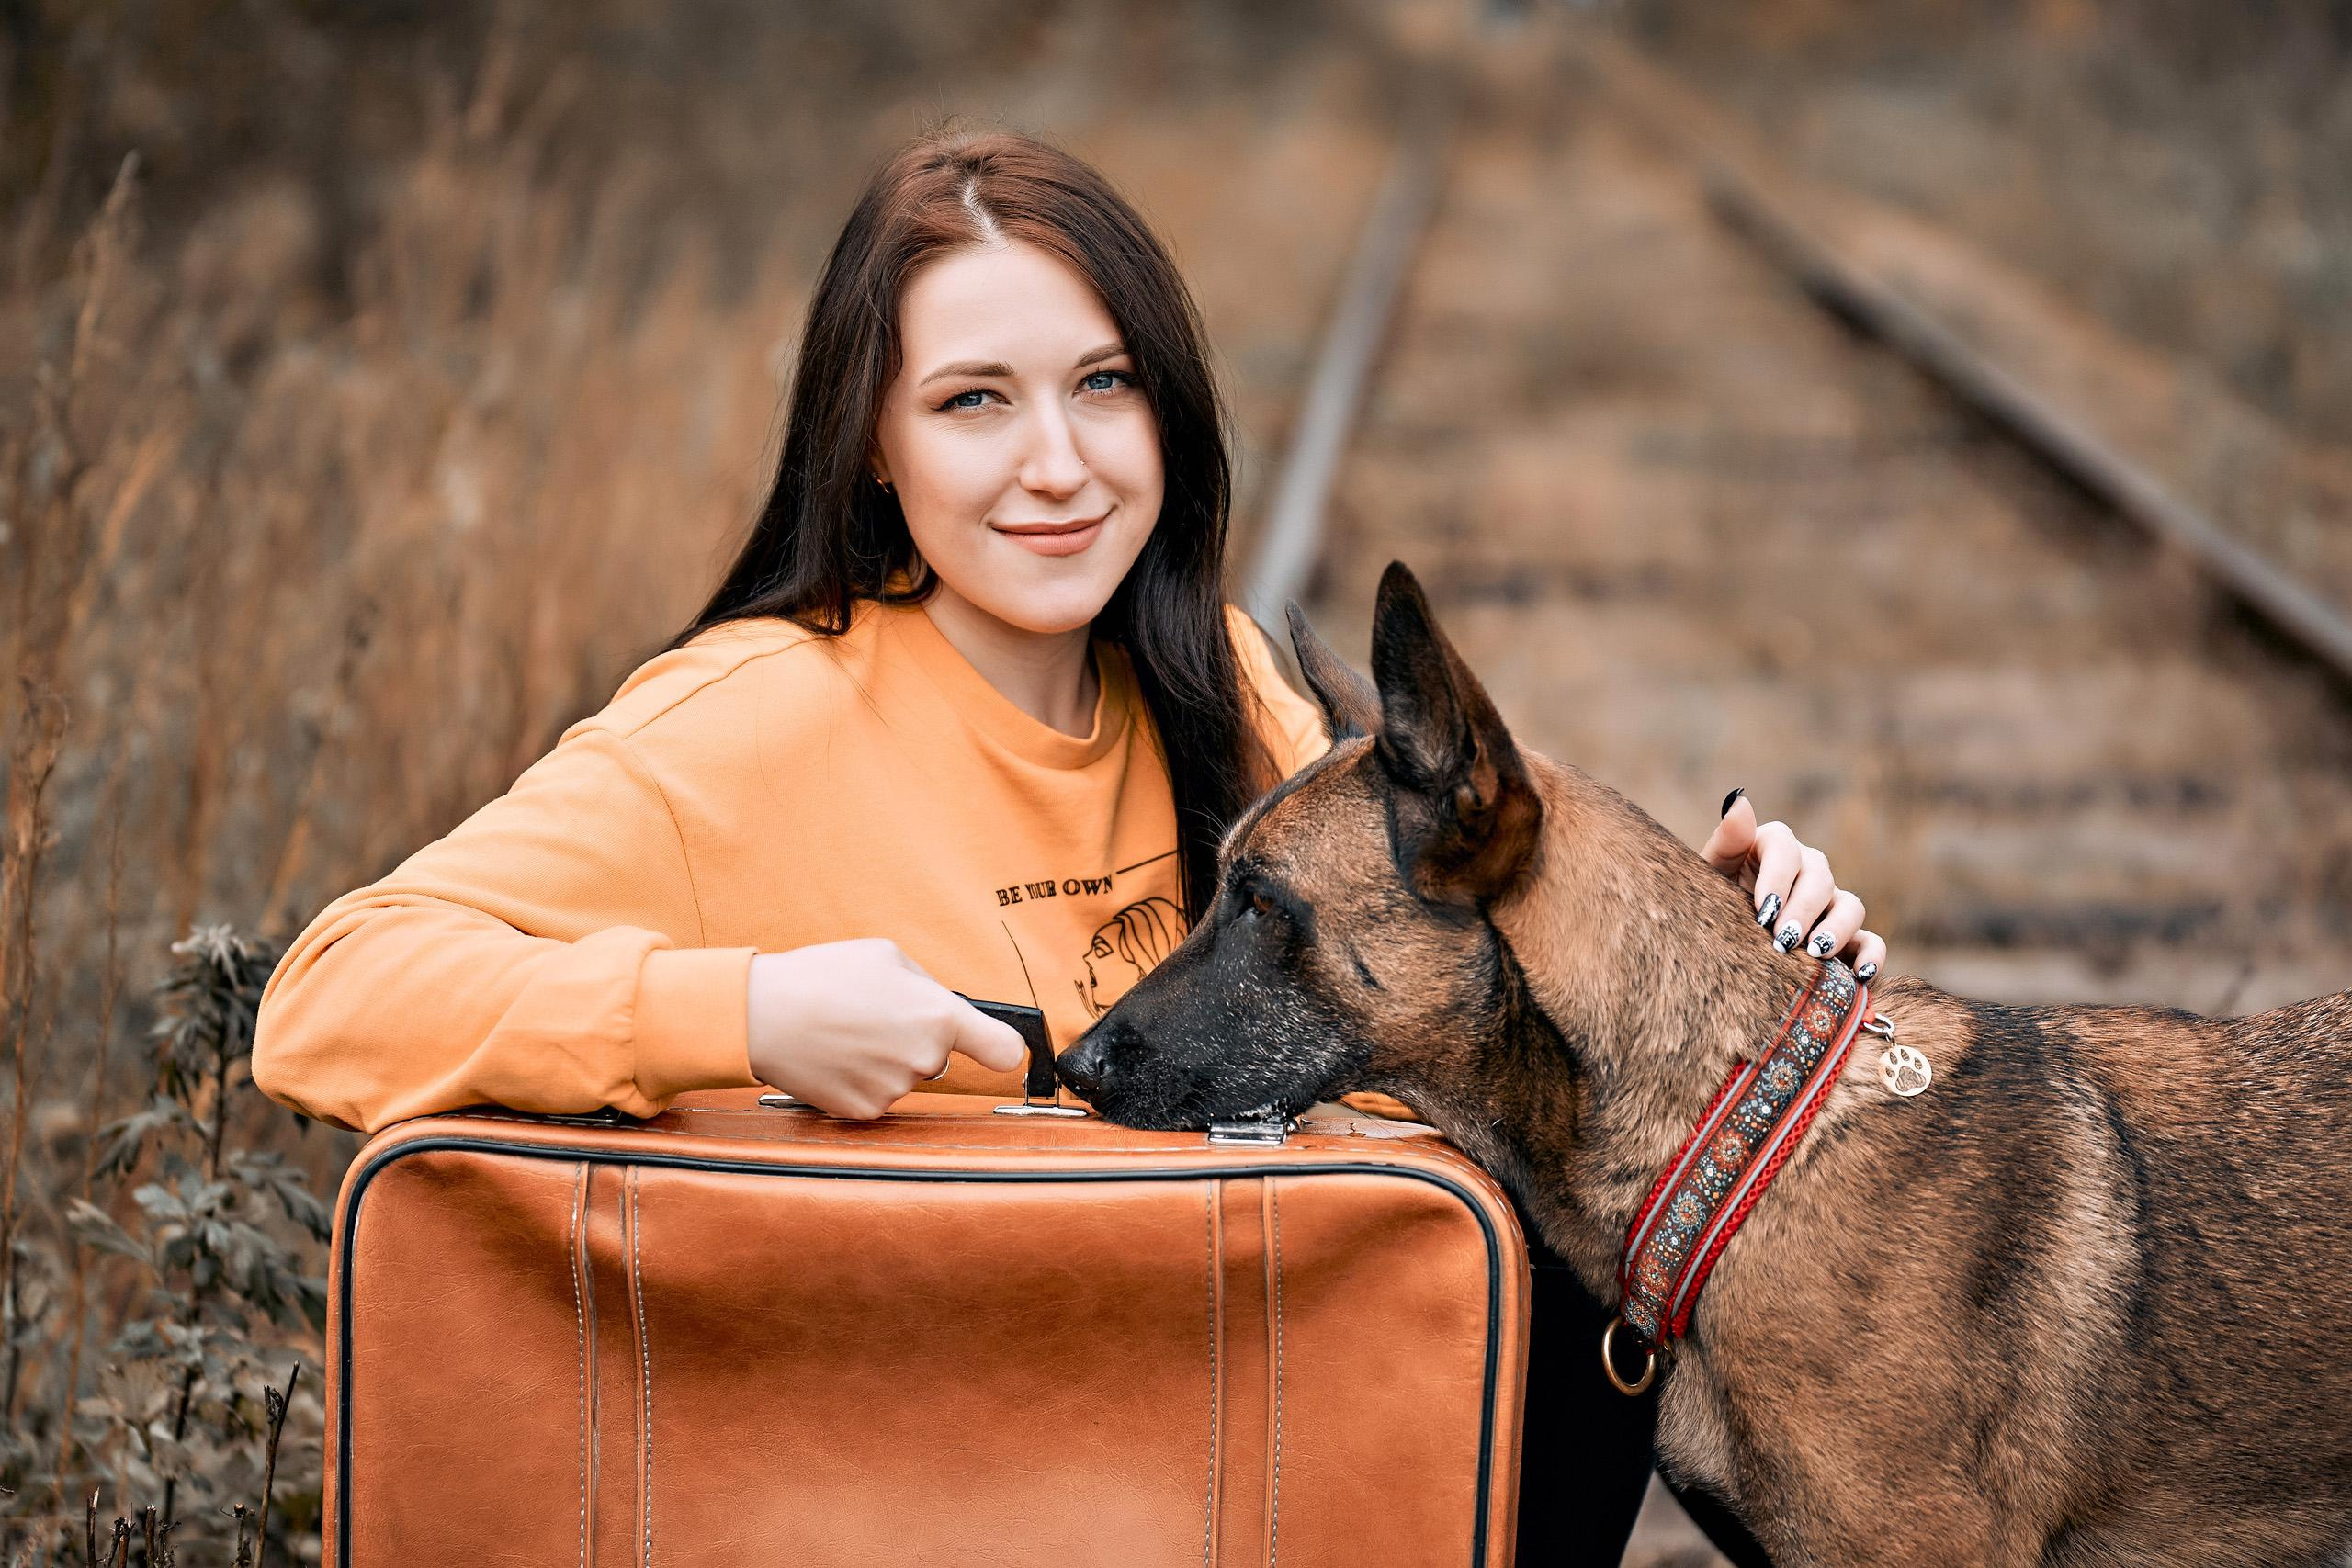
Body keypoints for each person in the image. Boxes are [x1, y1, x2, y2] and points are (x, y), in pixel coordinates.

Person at [253, 123, 1882, 1567]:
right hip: (922, 1474)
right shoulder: (747, 724)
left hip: (1219, 1443)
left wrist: (1693, 939)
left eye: (1104, 386)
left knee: (1589, 1261)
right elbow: (330, 996)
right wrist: (747, 1013)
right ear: (872, 445)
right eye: (974, 402)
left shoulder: (1221, 686)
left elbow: (1433, 970)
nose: (1058, 464)